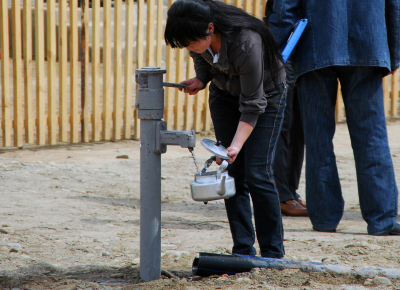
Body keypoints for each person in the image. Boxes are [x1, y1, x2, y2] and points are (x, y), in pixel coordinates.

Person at [164, 0, 287, 257]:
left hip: (265, 98)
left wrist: (236, 144)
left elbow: (254, 104)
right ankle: (243, 249)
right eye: (184, 44)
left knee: (258, 173)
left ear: (210, 28)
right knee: (230, 173)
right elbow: (202, 56)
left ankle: (273, 254)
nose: (189, 48)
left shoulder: (246, 43)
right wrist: (201, 78)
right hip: (224, 95)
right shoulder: (199, 40)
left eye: (191, 42)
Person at [269, 0, 400, 235]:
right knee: (372, 137)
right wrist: (394, 52)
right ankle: (382, 220)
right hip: (369, 45)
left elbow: (283, 9)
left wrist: (276, 53)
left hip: (315, 48)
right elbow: (395, 6)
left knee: (318, 139)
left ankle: (324, 219)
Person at [264, 0, 307, 217]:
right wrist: (276, 55)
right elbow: (281, 12)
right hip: (285, 45)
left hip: (302, 47)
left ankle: (290, 190)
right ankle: (281, 194)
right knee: (282, 122)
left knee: (296, 125)